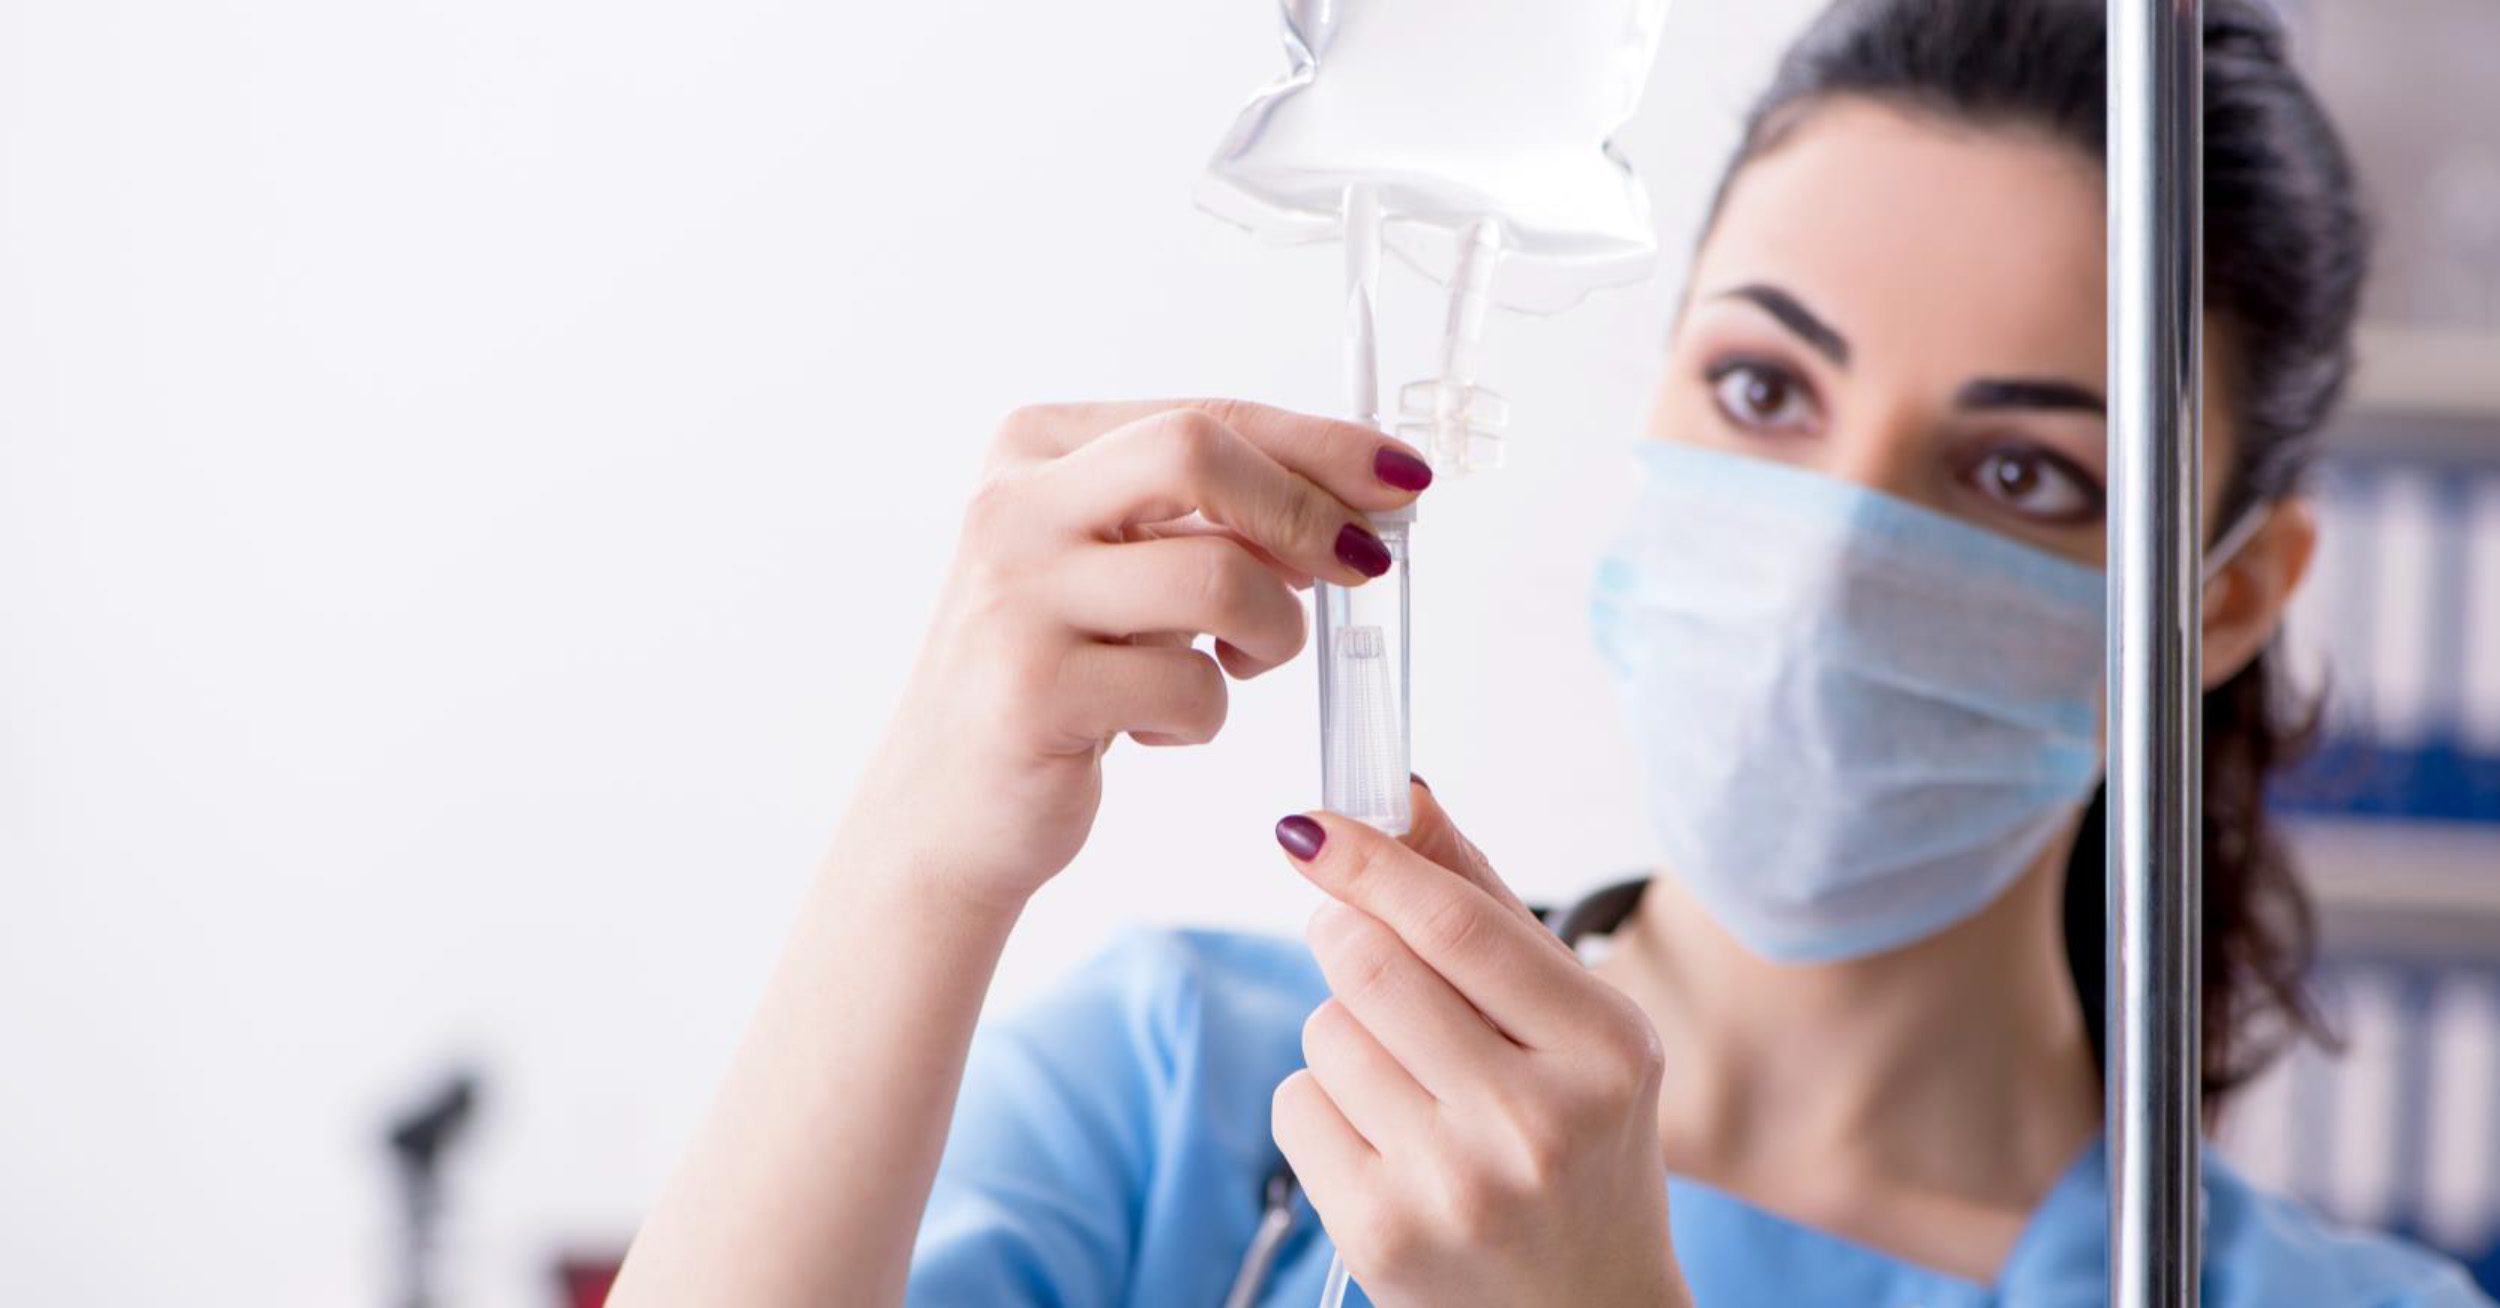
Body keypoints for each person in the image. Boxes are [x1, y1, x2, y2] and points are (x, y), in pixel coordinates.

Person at [609, 0, 2495, 1304]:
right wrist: (923, 853)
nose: (1829, 558)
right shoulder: (1189, 1092)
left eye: (2020, 471)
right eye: (1763, 387)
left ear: (2227, 597)